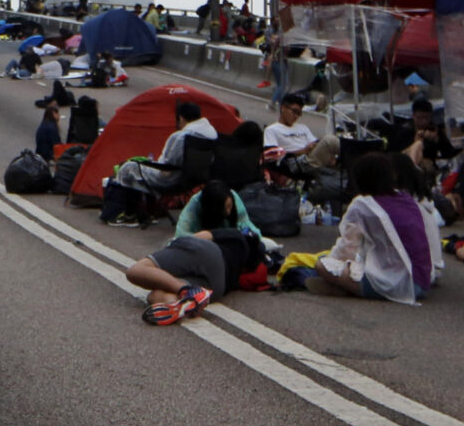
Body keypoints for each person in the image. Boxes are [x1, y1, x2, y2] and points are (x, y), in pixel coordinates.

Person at [305, 153, 441, 303]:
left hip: (397, 285)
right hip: (423, 281)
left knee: (322, 265)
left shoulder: (362, 204)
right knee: (360, 260)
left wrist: (330, 261)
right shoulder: (407, 199)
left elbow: (346, 249)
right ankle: (347, 287)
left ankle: (345, 288)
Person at [125, 180, 265, 325]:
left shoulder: (234, 234)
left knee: (136, 270)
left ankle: (186, 291)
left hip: (208, 252)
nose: (228, 212)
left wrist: (173, 249)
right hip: (220, 285)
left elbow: (199, 236)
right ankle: (175, 303)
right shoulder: (243, 251)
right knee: (155, 294)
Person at [108, 98, 220, 201]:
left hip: (173, 180)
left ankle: (123, 209)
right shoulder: (212, 135)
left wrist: (149, 163)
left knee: (128, 167)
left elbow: (167, 164)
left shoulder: (181, 137)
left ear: (181, 118)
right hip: (195, 180)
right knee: (139, 169)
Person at [263, 93, 323, 182]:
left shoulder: (303, 127)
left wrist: (314, 146)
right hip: (293, 163)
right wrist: (303, 151)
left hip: (312, 158)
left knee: (331, 142)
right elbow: (272, 156)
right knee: (331, 141)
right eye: (294, 111)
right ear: (283, 108)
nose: (296, 116)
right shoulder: (272, 130)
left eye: (299, 113)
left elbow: (315, 143)